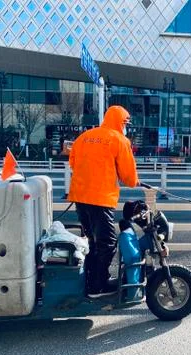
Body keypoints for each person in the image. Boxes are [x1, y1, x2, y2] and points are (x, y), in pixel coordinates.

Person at [68, 105, 139, 298]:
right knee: (107, 243)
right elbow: (129, 178)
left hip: (80, 197)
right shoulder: (119, 140)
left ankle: (89, 281)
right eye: (125, 123)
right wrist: (131, 179)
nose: (126, 126)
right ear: (120, 121)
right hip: (101, 198)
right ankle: (99, 285)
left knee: (91, 240)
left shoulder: (84, 137)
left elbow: (73, 163)